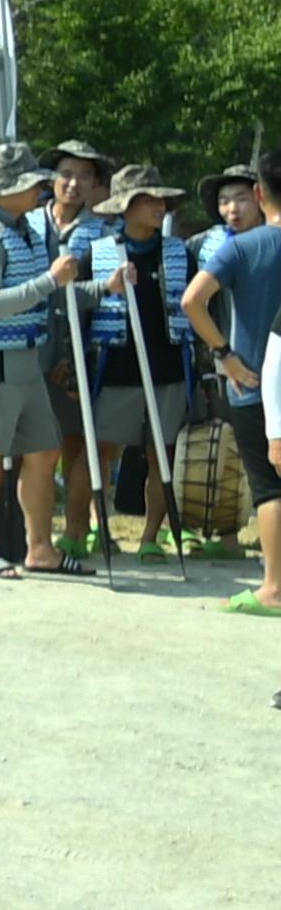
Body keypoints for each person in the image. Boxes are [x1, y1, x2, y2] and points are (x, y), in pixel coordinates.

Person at [0, 144, 81, 577]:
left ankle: (39, 548)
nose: (40, 188)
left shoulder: (27, 229)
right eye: (29, 183)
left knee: (44, 451)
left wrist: (99, 288)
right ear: (3, 190)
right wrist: (48, 281)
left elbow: (49, 292)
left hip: (26, 357)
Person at [184, 159, 281, 615]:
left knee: (268, 487)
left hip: (256, 382)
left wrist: (224, 354)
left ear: (260, 195)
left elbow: (192, 301)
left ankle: (273, 588)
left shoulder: (243, 249)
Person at [81, 166, 193, 558]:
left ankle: (149, 537)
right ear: (126, 207)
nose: (158, 207)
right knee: (101, 447)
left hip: (167, 365)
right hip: (115, 364)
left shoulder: (180, 252)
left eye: (161, 200)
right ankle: (98, 527)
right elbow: (76, 304)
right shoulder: (98, 253)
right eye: (148, 200)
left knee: (159, 451)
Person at [37, 142, 118, 555]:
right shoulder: (29, 224)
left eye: (84, 177)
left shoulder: (102, 234)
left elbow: (103, 294)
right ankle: (27, 532)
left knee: (77, 440)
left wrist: (75, 289)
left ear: (94, 185)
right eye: (66, 174)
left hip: (78, 351)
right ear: (52, 178)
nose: (72, 184)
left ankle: (78, 527)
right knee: (33, 446)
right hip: (29, 347)